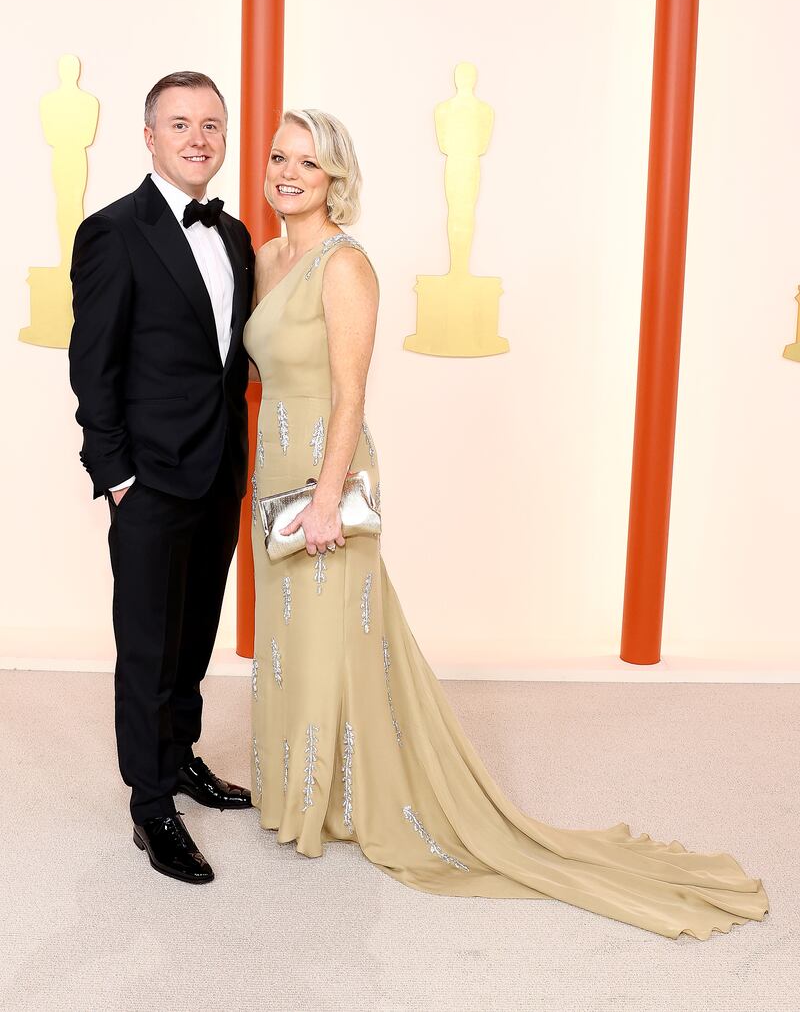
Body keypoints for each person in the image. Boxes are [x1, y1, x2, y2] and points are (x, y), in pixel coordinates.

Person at [245, 109, 768, 939]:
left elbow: (351, 395)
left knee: (327, 635)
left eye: (308, 162)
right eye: (279, 156)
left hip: (323, 471)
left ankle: (324, 805)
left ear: (335, 178)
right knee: (291, 638)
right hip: (270, 466)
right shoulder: (265, 254)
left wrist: (323, 495)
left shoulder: (345, 266)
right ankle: (295, 789)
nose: (288, 172)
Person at [69, 72, 254, 884]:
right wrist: (116, 476)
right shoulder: (113, 231)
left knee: (193, 638)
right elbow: (92, 365)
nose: (198, 138)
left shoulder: (238, 234)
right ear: (149, 137)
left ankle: (180, 759)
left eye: (211, 124)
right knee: (147, 647)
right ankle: (150, 808)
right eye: (180, 123)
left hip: (219, 473)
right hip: (148, 480)